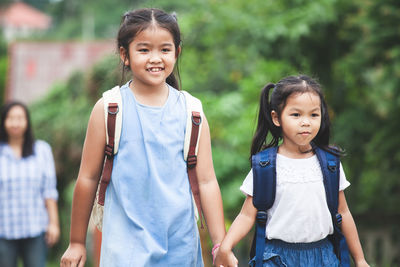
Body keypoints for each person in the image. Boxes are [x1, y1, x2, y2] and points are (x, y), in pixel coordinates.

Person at [60, 8, 226, 267]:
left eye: (165, 49)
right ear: (125, 55)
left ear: (177, 52)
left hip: (181, 248)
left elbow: (206, 182)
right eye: (144, 49)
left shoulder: (192, 112)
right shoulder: (109, 109)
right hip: (124, 251)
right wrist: (76, 242)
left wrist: (220, 245)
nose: (155, 58)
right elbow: (88, 178)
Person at [214, 75, 369, 267]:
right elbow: (246, 215)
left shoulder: (330, 164)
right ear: (276, 118)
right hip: (276, 258)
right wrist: (226, 247)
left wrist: (360, 260)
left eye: (314, 115)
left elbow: (343, 213)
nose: (306, 122)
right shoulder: (266, 166)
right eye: (296, 115)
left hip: (323, 257)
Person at [0, 101, 60, 267]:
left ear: (27, 121)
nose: (15, 123)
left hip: (35, 227)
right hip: (4, 230)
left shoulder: (42, 150)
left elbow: (49, 191)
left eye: (20, 118)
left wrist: (53, 223)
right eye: (11, 118)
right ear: (4, 121)